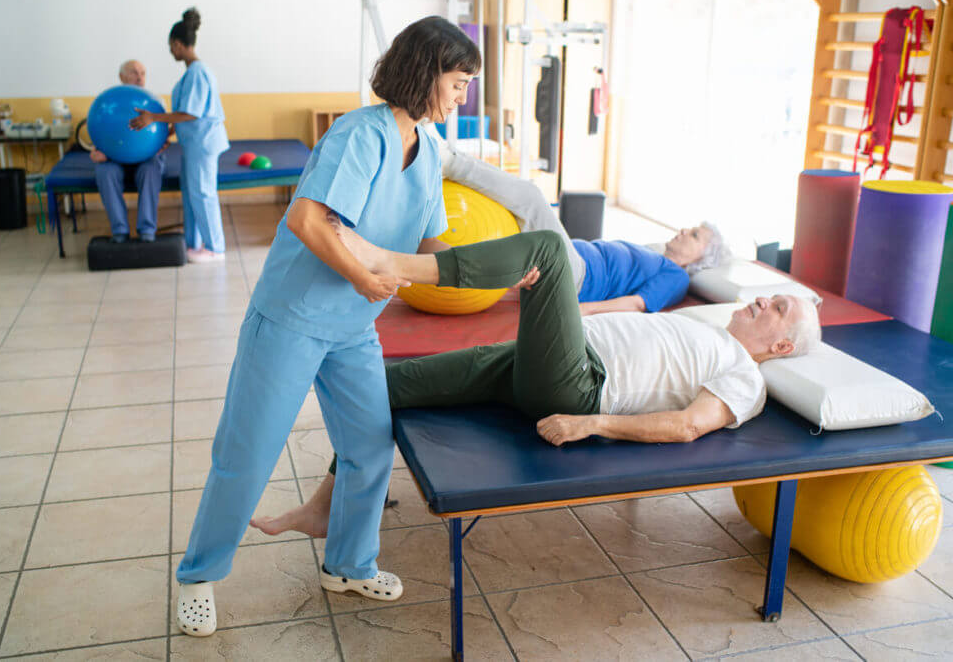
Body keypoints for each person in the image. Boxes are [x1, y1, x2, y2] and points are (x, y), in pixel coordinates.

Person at [169, 17, 523, 639]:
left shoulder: (429, 151)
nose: (463, 95)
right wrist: (363, 277)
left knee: (367, 446)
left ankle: (348, 562)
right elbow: (307, 221)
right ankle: (199, 575)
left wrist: (499, 273)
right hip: (293, 318)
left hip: (354, 328)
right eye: (459, 82)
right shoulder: (359, 135)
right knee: (246, 456)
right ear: (426, 71)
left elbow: (432, 242)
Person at [251, 227, 820, 540]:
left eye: (777, 306)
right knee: (385, 383)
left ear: (782, 347)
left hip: (578, 385)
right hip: (541, 360)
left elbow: (687, 426)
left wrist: (588, 424)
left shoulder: (746, 378)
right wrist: (555, 310)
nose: (762, 299)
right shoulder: (704, 327)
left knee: (547, 247)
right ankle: (326, 508)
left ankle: (395, 265)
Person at [424, 128, 728, 315]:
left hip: (576, 278)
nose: (686, 231)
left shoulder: (677, 277)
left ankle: (449, 160)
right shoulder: (655, 252)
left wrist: (578, 312)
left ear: (701, 258)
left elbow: (637, 304)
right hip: (571, 261)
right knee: (512, 212)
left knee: (530, 197)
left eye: (696, 236)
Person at [130, 8, 228, 264]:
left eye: (170, 47)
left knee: (203, 193)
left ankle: (215, 248)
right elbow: (188, 114)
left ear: (177, 43)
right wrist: (169, 128)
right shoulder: (192, 72)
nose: (171, 51)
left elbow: (191, 113)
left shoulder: (197, 72)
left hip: (202, 144)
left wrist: (153, 118)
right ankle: (193, 243)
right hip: (194, 143)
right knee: (191, 192)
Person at [91, 59, 165, 243]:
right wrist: (96, 151)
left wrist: (162, 145)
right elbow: (100, 132)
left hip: (146, 157)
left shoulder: (155, 102)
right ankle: (119, 230)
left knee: (151, 168)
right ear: (122, 77)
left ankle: (147, 230)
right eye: (134, 72)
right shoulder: (110, 102)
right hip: (115, 158)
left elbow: (161, 135)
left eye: (143, 73)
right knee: (104, 171)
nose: (139, 77)